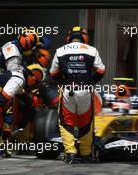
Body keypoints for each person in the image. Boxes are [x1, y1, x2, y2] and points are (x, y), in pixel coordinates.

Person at [50, 26, 105, 164]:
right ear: (84, 37)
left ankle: (71, 154)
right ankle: (86, 154)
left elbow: (52, 72)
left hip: (68, 91)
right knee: (86, 123)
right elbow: (101, 70)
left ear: (69, 37)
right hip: (86, 91)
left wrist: (62, 82)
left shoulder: (60, 50)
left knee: (66, 123)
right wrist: (90, 82)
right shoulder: (92, 50)